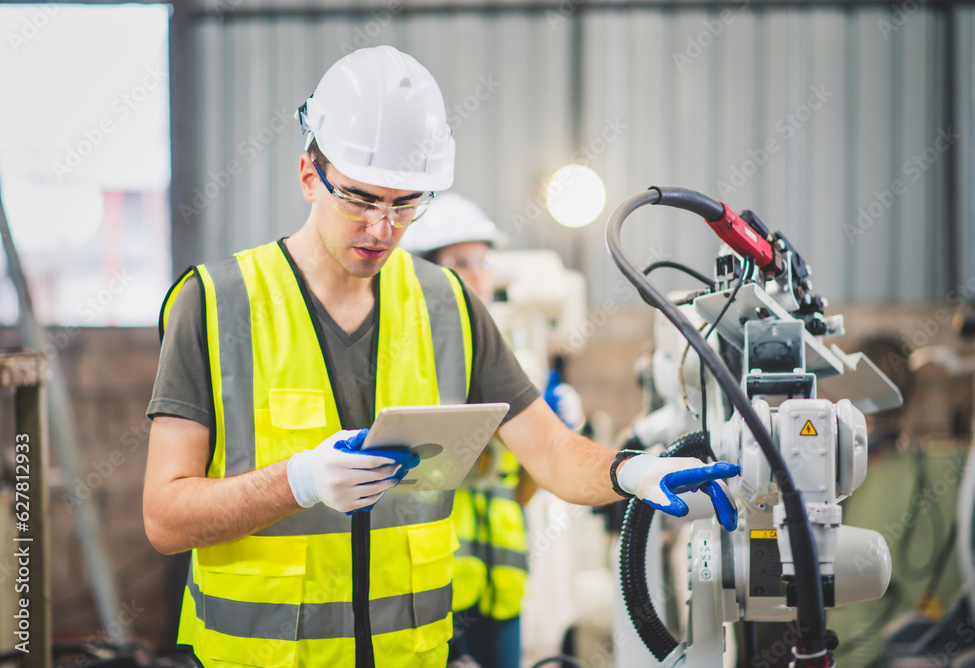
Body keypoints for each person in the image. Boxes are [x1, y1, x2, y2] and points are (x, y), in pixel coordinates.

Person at [142, 45, 739, 668]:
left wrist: (633, 472)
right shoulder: (215, 304)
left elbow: (554, 453)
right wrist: (299, 481)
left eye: (405, 203)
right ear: (308, 175)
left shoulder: (447, 305)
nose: (382, 228)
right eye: (360, 198)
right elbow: (165, 517)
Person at [400, 193, 531, 668]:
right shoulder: (409, 358)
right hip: (436, 581)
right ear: (425, 271)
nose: (477, 274)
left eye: (482, 260)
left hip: (503, 578)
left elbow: (525, 479)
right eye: (460, 262)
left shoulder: (511, 355)